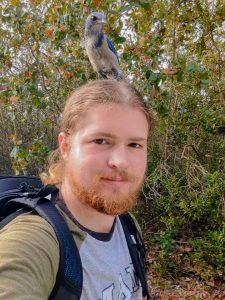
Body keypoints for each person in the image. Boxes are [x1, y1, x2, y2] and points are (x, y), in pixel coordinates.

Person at [0, 80, 153, 299]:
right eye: (101, 141)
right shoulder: (34, 243)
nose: (120, 161)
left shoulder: (127, 226)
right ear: (65, 147)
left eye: (135, 145)